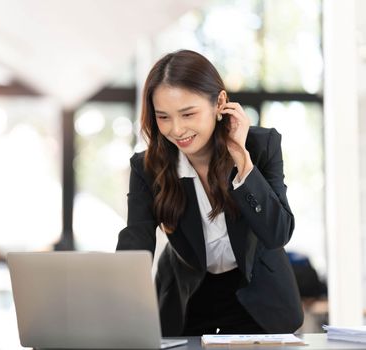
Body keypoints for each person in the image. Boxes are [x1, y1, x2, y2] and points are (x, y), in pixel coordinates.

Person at [116, 50, 303, 336]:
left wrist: (242, 161)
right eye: (163, 117)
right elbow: (137, 241)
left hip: (259, 300)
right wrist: (112, 305)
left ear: (220, 103)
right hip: (187, 299)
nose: (177, 129)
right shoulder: (148, 167)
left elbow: (277, 233)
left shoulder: (261, 147)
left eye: (188, 113)